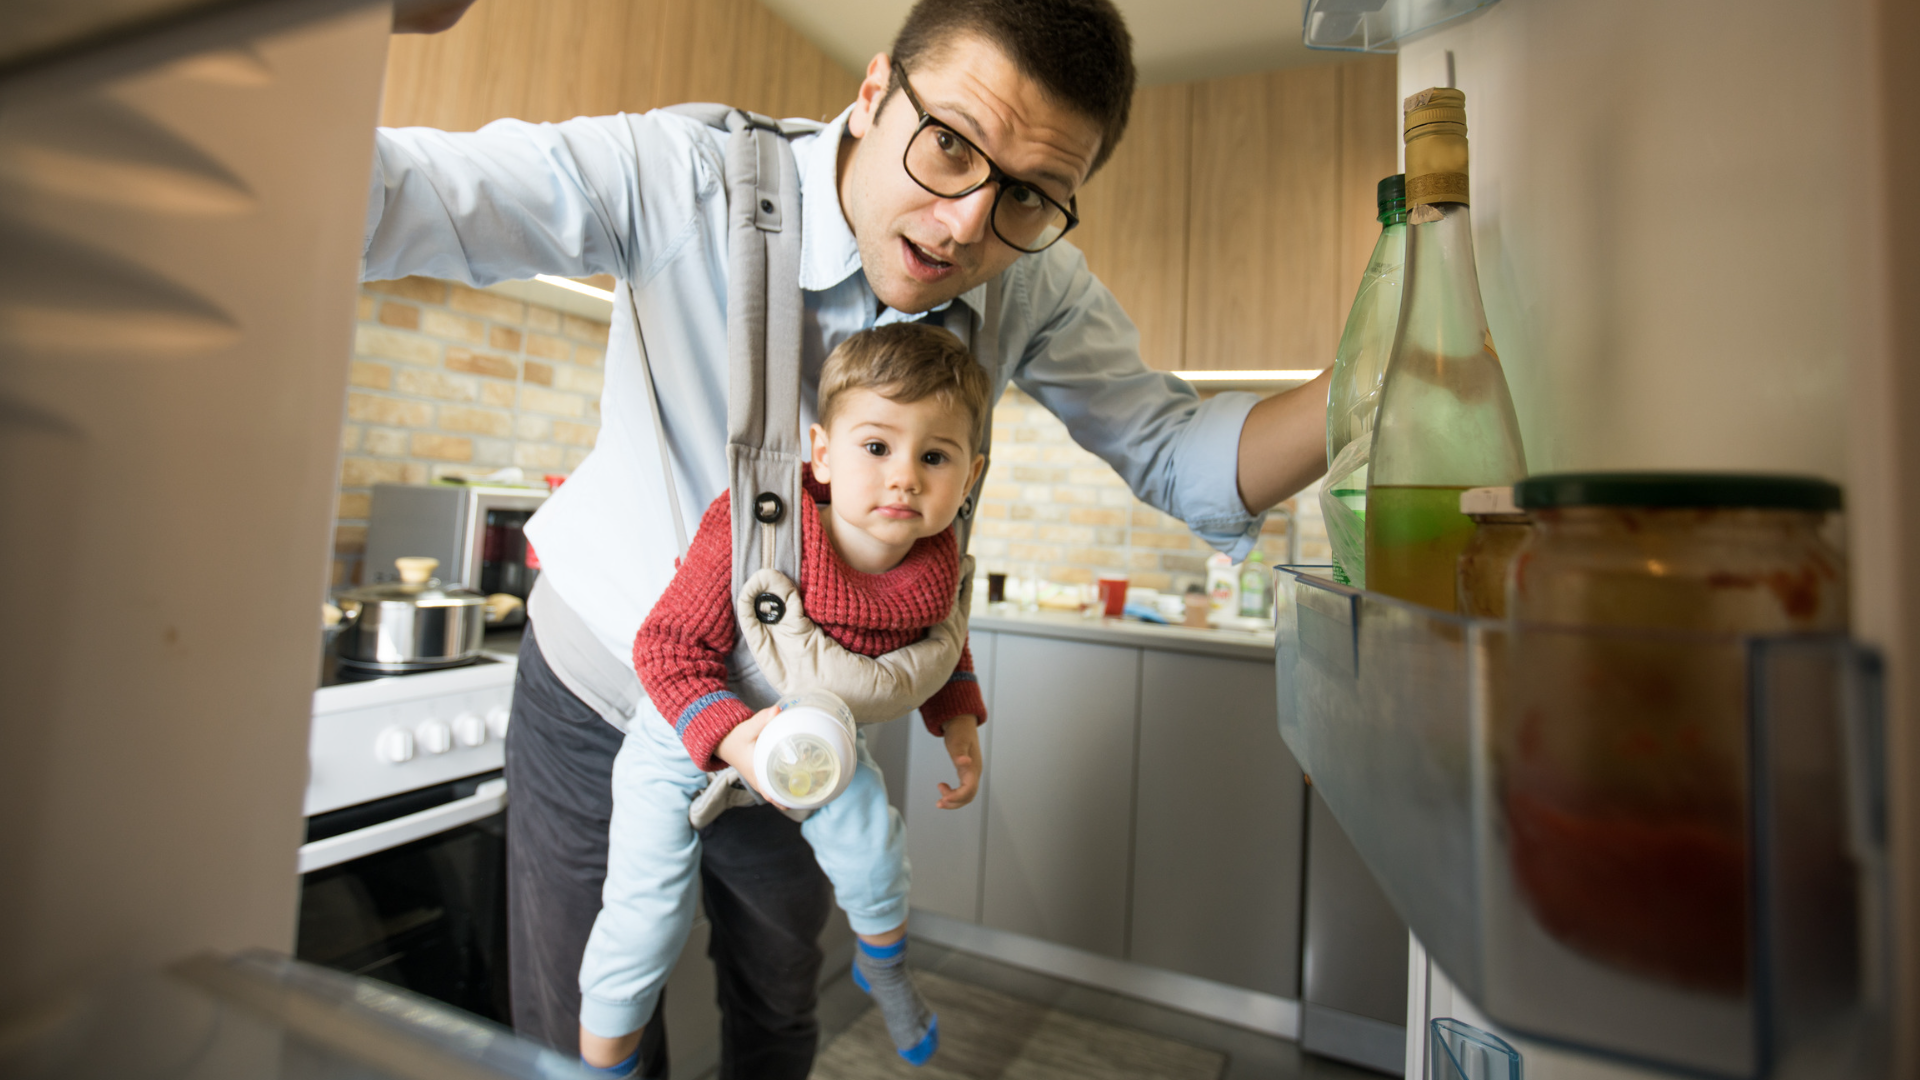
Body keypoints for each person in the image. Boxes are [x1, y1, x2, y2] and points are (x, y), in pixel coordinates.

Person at [361, 0, 1330, 1074]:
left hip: (801, 725)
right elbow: (412, 198)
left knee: (780, 1014)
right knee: (593, 1034)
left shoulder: (1035, 283)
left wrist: (1378, 387)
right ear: (873, 96)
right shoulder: (687, 178)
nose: (969, 223)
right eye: (950, 145)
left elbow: (1180, 452)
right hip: (604, 703)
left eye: (1030, 197)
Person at [580, 323, 991, 1075]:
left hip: (814, 736)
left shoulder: (940, 561)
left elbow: (943, 640)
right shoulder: (753, 531)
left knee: (875, 851)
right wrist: (736, 740)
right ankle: (604, 1057)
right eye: (877, 447)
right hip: (685, 731)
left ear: (969, 477)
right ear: (824, 454)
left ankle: (887, 968)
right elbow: (665, 650)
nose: (904, 476)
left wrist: (958, 724)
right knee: (647, 915)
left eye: (933, 457)